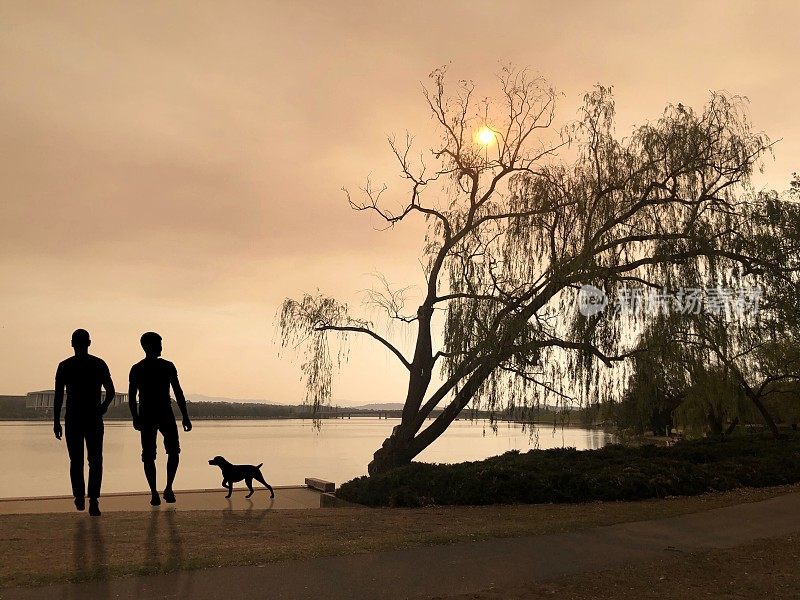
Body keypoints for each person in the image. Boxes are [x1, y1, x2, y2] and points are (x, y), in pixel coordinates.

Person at [54, 329, 115, 516]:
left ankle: (80, 496)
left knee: (77, 460)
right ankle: (93, 499)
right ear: (89, 343)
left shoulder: (65, 366)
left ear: (72, 343)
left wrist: (56, 422)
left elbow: (58, 397)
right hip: (92, 417)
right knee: (95, 460)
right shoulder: (98, 364)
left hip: (74, 417)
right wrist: (103, 406)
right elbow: (111, 391)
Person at [128, 332, 192, 506]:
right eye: (159, 344)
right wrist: (184, 416)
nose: (161, 347)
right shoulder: (157, 367)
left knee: (160, 453)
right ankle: (159, 490)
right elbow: (132, 396)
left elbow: (133, 397)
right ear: (149, 346)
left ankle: (162, 489)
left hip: (153, 414)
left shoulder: (139, 368)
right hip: (160, 413)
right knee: (158, 454)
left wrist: (135, 417)